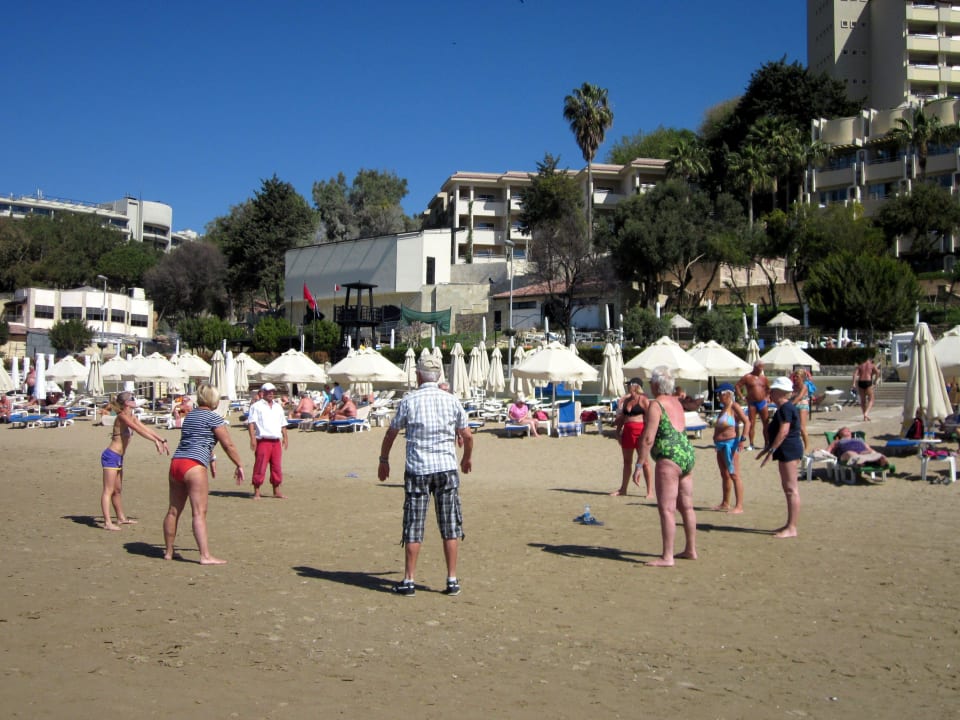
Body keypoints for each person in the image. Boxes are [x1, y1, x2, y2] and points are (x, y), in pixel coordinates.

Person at [377, 354, 473, 597]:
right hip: (445, 467)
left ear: (418, 375)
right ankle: (452, 579)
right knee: (450, 524)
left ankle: (409, 579)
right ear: (439, 375)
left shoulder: (410, 400)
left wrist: (384, 459)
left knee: (414, 524)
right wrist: (466, 457)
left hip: (418, 468)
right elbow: (467, 435)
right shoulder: (451, 400)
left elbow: (391, 432)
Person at [163, 385, 246, 565]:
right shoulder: (214, 418)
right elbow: (228, 445)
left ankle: (169, 551)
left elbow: (197, 439)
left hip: (177, 462)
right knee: (199, 512)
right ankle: (205, 555)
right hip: (194, 465)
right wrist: (239, 464)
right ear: (213, 400)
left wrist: (212, 459)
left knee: (173, 510)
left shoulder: (190, 416)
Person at [632, 366, 697, 567]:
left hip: (669, 456)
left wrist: (640, 463)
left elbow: (649, 437)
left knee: (667, 508)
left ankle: (667, 556)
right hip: (686, 452)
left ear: (655, 384)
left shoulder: (656, 405)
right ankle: (690, 548)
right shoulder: (677, 402)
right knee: (686, 505)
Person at [99, 391, 169, 531]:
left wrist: (161, 439)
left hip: (119, 457)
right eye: (132, 398)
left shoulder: (132, 415)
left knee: (118, 490)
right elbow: (137, 429)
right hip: (111, 456)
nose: (134, 400)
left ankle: (121, 518)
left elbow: (144, 428)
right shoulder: (122, 417)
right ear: (126, 403)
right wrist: (154, 441)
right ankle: (107, 522)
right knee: (108, 490)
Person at [758, 376, 805, 538]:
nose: (770, 393)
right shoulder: (784, 408)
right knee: (788, 488)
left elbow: (784, 431)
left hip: (789, 450)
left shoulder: (786, 408)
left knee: (791, 489)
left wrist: (772, 450)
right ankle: (789, 524)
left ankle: (792, 527)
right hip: (786, 450)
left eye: (773, 391)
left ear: (780, 392)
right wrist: (768, 449)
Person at [711, 383, 750, 513]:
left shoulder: (734, 407)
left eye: (720, 394)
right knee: (725, 475)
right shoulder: (724, 408)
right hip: (720, 445)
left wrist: (743, 439)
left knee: (734, 475)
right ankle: (725, 503)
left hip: (730, 444)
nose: (718, 397)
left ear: (727, 394)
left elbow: (747, 422)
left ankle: (739, 506)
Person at [246, 382, 288, 499]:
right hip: (263, 440)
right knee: (260, 466)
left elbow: (282, 423)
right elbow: (251, 423)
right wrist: (252, 438)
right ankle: (257, 490)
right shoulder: (256, 406)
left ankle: (276, 490)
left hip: (276, 440)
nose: (271, 394)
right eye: (269, 391)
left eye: (272, 391)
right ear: (263, 392)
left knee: (276, 467)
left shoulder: (278, 406)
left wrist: (285, 437)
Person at [611, 378, 652, 497]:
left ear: (636, 386)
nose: (627, 386)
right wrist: (617, 432)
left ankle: (650, 491)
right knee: (627, 461)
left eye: (629, 384)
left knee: (644, 462)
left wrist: (647, 434)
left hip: (640, 432)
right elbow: (623, 417)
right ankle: (623, 489)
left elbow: (650, 418)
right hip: (627, 432)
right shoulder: (626, 400)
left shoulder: (643, 400)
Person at [735, 361, 770, 449]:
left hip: (762, 402)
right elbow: (737, 386)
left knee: (766, 423)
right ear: (755, 367)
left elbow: (768, 389)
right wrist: (742, 396)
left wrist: (767, 397)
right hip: (752, 403)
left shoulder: (764, 378)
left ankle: (767, 443)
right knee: (751, 423)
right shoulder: (748, 377)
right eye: (760, 367)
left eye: (762, 367)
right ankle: (751, 444)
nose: (761, 369)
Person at [852, 357, 881, 421]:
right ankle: (866, 413)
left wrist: (853, 383)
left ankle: (865, 417)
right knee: (871, 399)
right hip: (868, 382)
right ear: (870, 360)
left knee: (863, 400)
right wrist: (875, 381)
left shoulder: (860, 365)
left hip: (861, 382)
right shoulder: (871, 365)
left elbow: (855, 374)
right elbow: (878, 372)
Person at [790, 368, 811, 451]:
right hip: (795, 406)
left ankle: (807, 447)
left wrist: (790, 405)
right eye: (795, 376)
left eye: (797, 377)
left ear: (802, 377)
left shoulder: (804, 386)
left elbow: (799, 397)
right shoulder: (793, 386)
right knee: (793, 427)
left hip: (802, 406)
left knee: (802, 427)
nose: (795, 378)